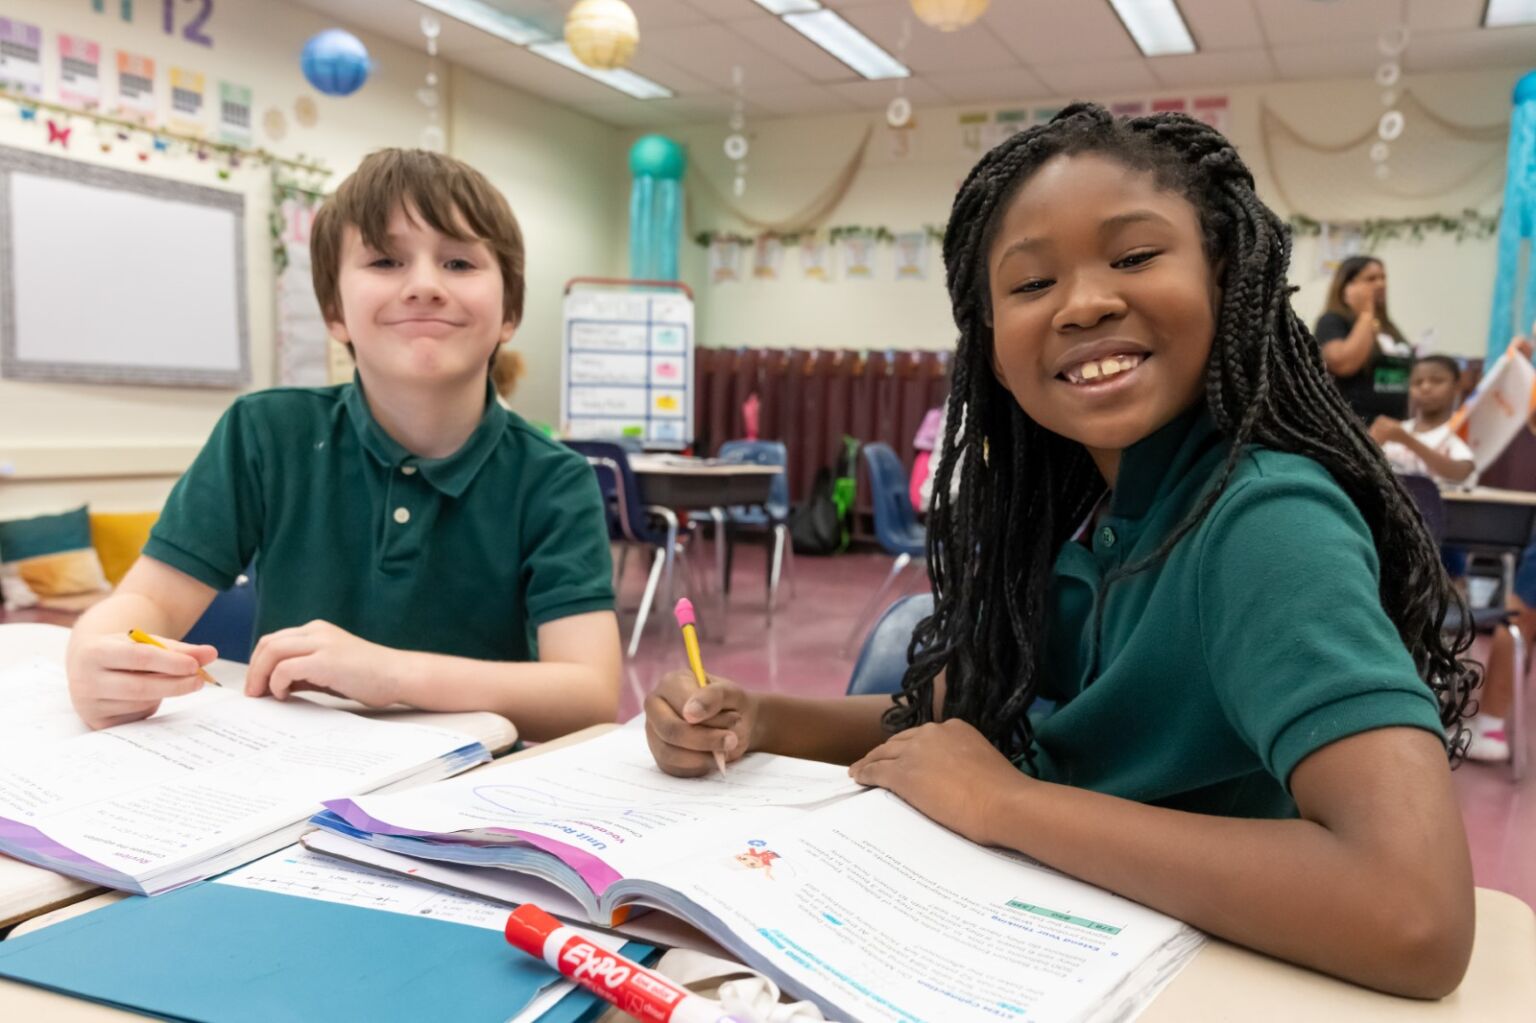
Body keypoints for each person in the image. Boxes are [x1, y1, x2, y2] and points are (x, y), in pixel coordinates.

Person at [644, 105, 1477, 998]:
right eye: (1032, 284)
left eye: (1133, 257)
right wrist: (761, 718)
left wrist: (1008, 804)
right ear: (995, 352)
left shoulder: (1265, 522)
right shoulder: (1082, 516)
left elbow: (1413, 912)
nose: (1085, 302)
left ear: (1227, 277)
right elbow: (949, 718)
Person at [65, 149, 621, 740]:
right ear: (334, 311)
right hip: (283, 783)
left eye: (459, 262)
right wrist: (93, 653)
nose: (426, 286)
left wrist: (394, 674)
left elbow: (589, 692)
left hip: (469, 798)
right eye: (385, 260)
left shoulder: (554, 478)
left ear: (509, 311)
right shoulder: (265, 432)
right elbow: (145, 604)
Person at [1315, 256, 1414, 422]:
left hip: (1395, 427)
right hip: (1355, 426)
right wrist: (1366, 313)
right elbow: (1343, 364)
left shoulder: (1387, 325)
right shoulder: (1333, 320)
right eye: (1371, 279)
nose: (1381, 284)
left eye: (1383, 277)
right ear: (1347, 286)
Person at [1370, 355, 1475, 486]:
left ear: (1457, 386)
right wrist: (1371, 442)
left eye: (1437, 381)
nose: (1425, 388)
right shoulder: (1396, 430)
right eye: (1417, 382)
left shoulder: (1461, 428)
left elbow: (1462, 472)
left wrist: (1407, 440)